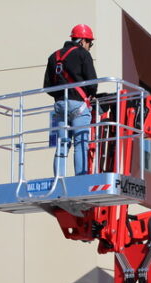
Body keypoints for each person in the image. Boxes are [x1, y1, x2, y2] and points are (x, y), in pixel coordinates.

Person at [43, 24, 98, 176]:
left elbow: (47, 86)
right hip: (78, 105)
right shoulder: (82, 54)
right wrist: (90, 94)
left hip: (60, 106)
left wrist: (61, 97)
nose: (89, 47)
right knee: (81, 143)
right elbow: (92, 82)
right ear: (83, 41)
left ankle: (58, 178)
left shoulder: (53, 56)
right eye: (90, 43)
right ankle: (80, 178)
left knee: (62, 144)